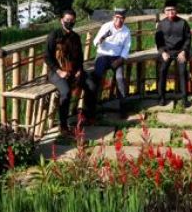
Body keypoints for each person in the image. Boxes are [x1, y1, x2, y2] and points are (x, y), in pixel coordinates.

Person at [45, 9, 95, 137]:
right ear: (61, 20)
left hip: (74, 70)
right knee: (66, 93)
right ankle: (63, 125)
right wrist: (59, 71)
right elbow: (47, 57)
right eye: (67, 20)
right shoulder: (54, 35)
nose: (69, 23)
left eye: (72, 21)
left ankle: (87, 116)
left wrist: (79, 70)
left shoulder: (76, 37)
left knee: (91, 85)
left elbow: (80, 57)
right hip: (56, 72)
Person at [90, 8, 131, 115]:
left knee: (120, 78)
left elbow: (126, 48)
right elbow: (95, 42)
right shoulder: (106, 26)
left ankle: (123, 107)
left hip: (117, 57)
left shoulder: (126, 31)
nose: (119, 20)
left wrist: (120, 59)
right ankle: (92, 107)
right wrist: (103, 38)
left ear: (124, 19)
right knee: (97, 77)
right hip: (103, 55)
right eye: (117, 17)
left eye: (121, 18)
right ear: (113, 18)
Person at [155, 4, 192, 107]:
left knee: (182, 71)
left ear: (176, 10)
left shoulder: (183, 23)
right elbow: (158, 41)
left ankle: (184, 99)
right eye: (168, 10)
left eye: (173, 9)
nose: (170, 11)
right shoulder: (162, 24)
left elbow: (188, 38)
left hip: (180, 51)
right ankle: (161, 97)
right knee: (162, 70)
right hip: (167, 51)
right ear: (165, 12)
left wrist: (184, 51)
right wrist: (163, 52)